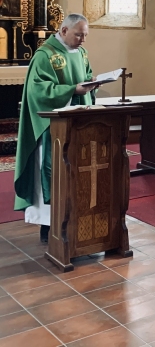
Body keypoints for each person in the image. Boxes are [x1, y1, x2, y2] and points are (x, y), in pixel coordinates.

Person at [13, 14, 97, 243]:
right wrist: (72, 91)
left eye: (85, 35)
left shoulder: (80, 53)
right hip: (52, 128)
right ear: (63, 31)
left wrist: (92, 85)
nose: (82, 40)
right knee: (50, 172)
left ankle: (72, 218)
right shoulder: (44, 55)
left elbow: (86, 77)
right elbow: (38, 91)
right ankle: (47, 224)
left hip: (77, 124)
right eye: (78, 34)